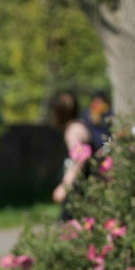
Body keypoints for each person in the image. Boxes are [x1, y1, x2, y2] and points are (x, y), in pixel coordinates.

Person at [50, 91, 93, 220]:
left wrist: (65, 186)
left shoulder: (73, 131)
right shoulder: (79, 126)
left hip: (77, 187)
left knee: (68, 226)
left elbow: (79, 159)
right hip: (83, 185)